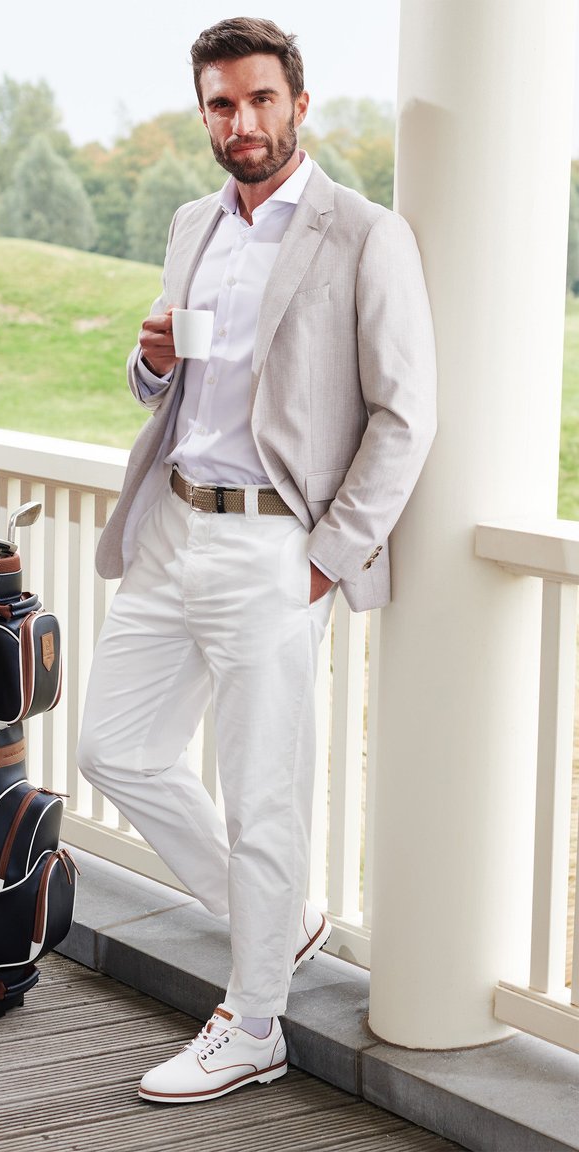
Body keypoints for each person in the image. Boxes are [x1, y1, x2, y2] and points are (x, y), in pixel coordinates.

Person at [77, 16, 436, 1105]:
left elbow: (403, 415)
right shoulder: (194, 223)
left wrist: (326, 555)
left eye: (259, 100)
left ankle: (254, 1021)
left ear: (298, 104)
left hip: (275, 548)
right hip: (174, 524)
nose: (241, 122)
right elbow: (174, 381)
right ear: (204, 114)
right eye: (220, 105)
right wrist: (145, 365)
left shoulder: (363, 234)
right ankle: (274, 924)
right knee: (112, 748)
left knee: (263, 796)